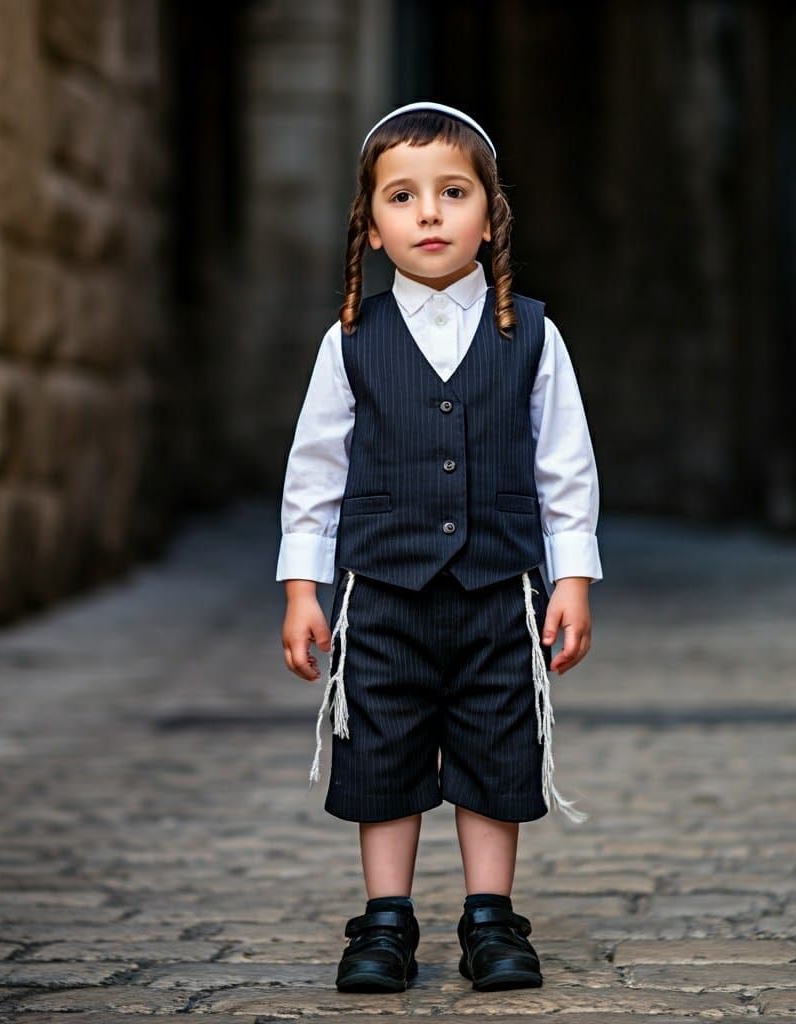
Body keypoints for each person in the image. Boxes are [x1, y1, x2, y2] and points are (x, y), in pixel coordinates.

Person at [277, 101, 602, 994]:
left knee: (498, 750)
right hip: (380, 592)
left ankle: (491, 918)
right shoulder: (349, 342)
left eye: (452, 192)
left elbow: (565, 467)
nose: (428, 213)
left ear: (489, 218)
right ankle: (385, 920)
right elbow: (315, 472)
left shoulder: (534, 336)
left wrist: (571, 577)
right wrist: (304, 588)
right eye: (403, 196)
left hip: (501, 591)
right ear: (371, 228)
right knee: (380, 750)